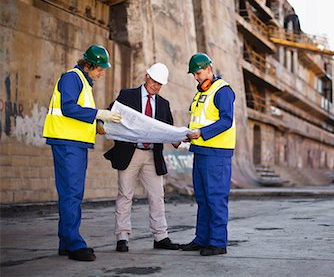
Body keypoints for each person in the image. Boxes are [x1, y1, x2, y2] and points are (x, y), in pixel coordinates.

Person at [42, 44, 121, 261]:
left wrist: (96, 125)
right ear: (88, 65)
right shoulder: (72, 78)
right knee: (72, 193)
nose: (102, 72)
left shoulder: (83, 82)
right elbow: (68, 108)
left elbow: (77, 114)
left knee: (71, 193)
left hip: (74, 143)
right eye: (100, 68)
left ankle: (66, 242)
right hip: (68, 143)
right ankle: (74, 244)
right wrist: (99, 113)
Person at [103, 62, 180, 252]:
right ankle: (122, 236)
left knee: (157, 196)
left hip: (152, 155)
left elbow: (169, 130)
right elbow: (111, 116)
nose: (156, 86)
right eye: (154, 81)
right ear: (147, 76)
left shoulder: (164, 104)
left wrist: (181, 137)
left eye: (160, 84)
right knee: (125, 194)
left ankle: (160, 236)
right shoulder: (127, 95)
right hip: (130, 152)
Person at [180, 53, 236, 256]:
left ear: (210, 68)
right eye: (194, 74)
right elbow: (197, 121)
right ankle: (202, 239)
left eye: (199, 72)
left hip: (217, 154)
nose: (196, 77)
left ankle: (218, 243)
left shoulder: (223, 91)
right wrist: (186, 135)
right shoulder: (201, 93)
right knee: (203, 198)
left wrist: (202, 133)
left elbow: (226, 120)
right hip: (201, 151)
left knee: (216, 198)